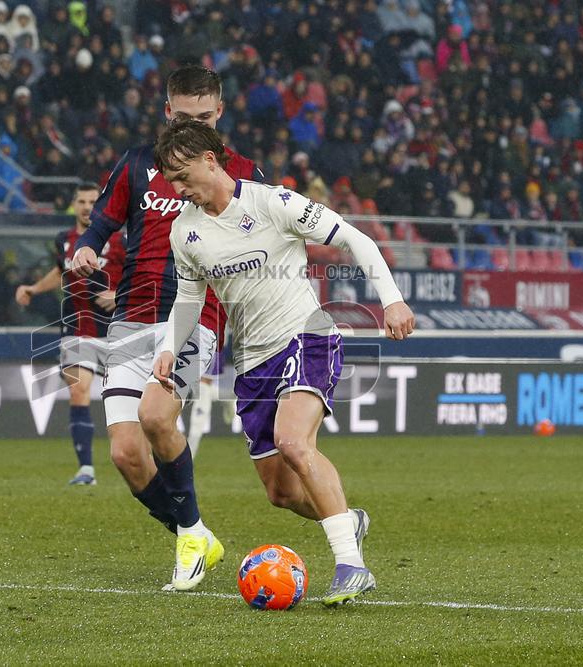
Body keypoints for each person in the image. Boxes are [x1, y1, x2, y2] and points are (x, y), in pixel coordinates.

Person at [150, 120, 416, 606]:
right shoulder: (184, 230)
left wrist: (392, 301)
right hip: (250, 364)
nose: (179, 189)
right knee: (282, 493)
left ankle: (351, 567)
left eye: (184, 176)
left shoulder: (272, 203)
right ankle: (348, 520)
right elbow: (189, 298)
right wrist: (169, 346)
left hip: (305, 337)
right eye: (172, 181)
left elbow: (356, 239)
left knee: (295, 441)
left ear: (211, 159)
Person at [72, 65, 263, 591]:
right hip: (132, 314)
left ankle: (190, 543)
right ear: (166, 113)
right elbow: (100, 224)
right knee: (126, 455)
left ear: (219, 114)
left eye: (203, 117)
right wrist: (86, 246)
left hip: (197, 316)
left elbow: (265, 242)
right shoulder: (136, 164)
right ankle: (194, 532)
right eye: (183, 117)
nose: (192, 127)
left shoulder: (242, 171)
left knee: (157, 417)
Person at [16, 182, 125, 485]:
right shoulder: (64, 240)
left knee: (132, 404)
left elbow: (141, 274)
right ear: (74, 205)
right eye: (81, 201)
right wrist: (34, 289)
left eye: (93, 201)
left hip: (119, 331)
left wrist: (119, 294)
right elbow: (59, 270)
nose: (87, 206)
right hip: (77, 328)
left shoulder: (120, 239)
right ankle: (86, 469)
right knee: (78, 392)